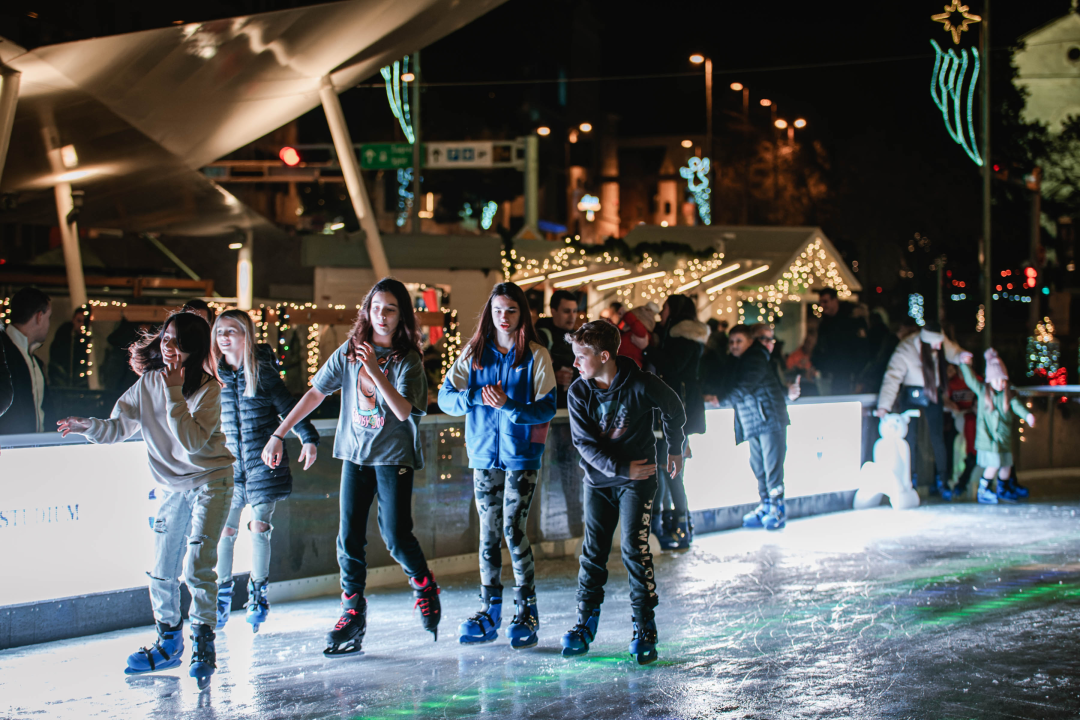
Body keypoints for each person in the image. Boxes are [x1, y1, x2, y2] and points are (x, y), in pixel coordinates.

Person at [262, 278, 440, 656]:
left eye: (390, 309)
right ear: (367, 310)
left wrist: (375, 369)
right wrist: (280, 432)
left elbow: (404, 411)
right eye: (376, 307)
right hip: (356, 456)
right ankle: (352, 611)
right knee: (349, 538)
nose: (381, 315)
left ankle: (423, 583)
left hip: (393, 457)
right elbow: (316, 392)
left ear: (401, 316)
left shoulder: (408, 360)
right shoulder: (348, 352)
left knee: (394, 534)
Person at [56, 312, 234, 689]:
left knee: (199, 564)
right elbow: (119, 427)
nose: (168, 346)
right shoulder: (148, 383)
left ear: (194, 348)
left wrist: (173, 391)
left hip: (210, 483)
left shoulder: (209, 390)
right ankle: (169, 642)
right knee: (161, 566)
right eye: (166, 338)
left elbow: (191, 441)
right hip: (172, 487)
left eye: (178, 341)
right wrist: (88, 426)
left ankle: (204, 642)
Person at [438, 282, 557, 649]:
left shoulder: (536, 355)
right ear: (489, 314)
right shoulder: (474, 353)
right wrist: (474, 396)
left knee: (512, 528)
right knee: (488, 532)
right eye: (498, 311)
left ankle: (527, 609)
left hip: (521, 456)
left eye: (511, 311)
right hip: (484, 456)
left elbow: (548, 407)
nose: (503, 318)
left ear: (522, 314)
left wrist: (509, 406)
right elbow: (446, 398)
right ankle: (489, 610)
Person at [562, 320, 686, 665]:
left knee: (635, 548)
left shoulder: (641, 384)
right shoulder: (578, 392)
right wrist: (620, 469)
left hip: (638, 481)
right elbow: (584, 445)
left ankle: (644, 626)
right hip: (601, 482)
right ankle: (585, 621)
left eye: (581, 356)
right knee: (593, 552)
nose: (575, 364)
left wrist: (674, 448)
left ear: (604, 356)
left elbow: (674, 408)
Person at [211, 310, 321, 633]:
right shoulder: (214, 375)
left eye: (232, 331)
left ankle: (258, 593)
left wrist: (308, 438)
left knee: (259, 526)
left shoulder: (261, 372)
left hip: (263, 463)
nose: (225, 337)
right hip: (230, 465)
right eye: (220, 331)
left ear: (247, 335)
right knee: (225, 530)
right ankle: (222, 592)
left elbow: (289, 407)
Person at [714, 325, 800, 531]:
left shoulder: (755, 358)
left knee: (772, 468)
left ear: (750, 342)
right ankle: (766, 505)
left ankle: (777, 509)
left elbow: (746, 385)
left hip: (769, 418)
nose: (734, 346)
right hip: (753, 420)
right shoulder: (738, 361)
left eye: (739, 341)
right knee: (758, 466)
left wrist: (723, 399)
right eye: (731, 341)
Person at [875, 322, 967, 497]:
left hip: (933, 392)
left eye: (940, 343)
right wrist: (884, 406)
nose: (938, 347)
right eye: (934, 344)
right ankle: (910, 477)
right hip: (911, 393)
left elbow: (952, 351)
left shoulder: (939, 343)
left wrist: (961, 356)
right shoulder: (906, 349)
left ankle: (942, 480)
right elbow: (892, 377)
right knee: (910, 438)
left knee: (937, 438)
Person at [646, 294, 706, 550]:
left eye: (665, 308)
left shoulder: (683, 338)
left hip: (674, 413)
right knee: (666, 469)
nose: (661, 312)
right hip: (674, 411)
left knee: (669, 470)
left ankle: (677, 526)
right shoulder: (677, 336)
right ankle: (672, 525)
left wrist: (649, 349)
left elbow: (672, 367)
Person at [959, 350, 1036, 505]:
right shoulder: (983, 393)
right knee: (993, 464)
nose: (1000, 384)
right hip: (988, 439)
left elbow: (1017, 406)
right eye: (996, 381)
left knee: (1007, 464)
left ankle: (1003, 488)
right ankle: (984, 489)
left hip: (1003, 439)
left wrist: (1027, 416)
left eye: (1002, 380)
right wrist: (965, 364)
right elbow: (971, 381)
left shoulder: (1008, 396)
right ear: (990, 381)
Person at [0, 287, 52, 435]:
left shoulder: (35, 361)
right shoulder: (5, 351)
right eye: (49, 317)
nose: (48, 324)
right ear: (39, 317)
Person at [811, 287, 867, 395]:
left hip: (849, 372)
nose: (822, 305)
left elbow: (862, 348)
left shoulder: (852, 319)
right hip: (831, 372)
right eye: (821, 302)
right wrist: (816, 364)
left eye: (825, 301)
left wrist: (859, 374)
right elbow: (821, 346)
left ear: (834, 300)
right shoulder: (824, 324)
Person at [535, 290, 578, 408]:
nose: (572, 316)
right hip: (547, 406)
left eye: (574, 311)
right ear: (553, 311)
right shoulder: (540, 336)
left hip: (572, 405)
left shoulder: (578, 337)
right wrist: (554, 374)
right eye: (566, 311)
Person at [944, 363, 978, 497]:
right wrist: (952, 405)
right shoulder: (952, 383)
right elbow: (944, 399)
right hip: (959, 418)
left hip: (975, 419)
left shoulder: (977, 381)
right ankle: (955, 478)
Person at [48, 308, 90, 389]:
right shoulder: (64, 334)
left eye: (83, 322)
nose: (81, 325)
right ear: (73, 320)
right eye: (79, 321)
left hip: (76, 379)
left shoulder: (84, 339)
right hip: (61, 376)